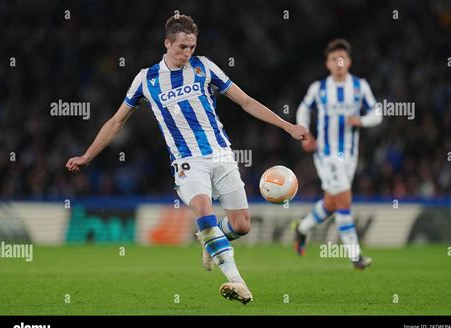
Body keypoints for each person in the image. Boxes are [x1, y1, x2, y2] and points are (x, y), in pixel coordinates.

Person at [66, 14, 308, 303]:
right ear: (167, 43)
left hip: (222, 155)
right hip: (187, 162)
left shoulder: (204, 67)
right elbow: (117, 122)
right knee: (204, 211)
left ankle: (210, 240)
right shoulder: (146, 79)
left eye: (192, 47)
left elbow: (245, 101)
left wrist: (287, 125)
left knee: (242, 225)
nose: (187, 53)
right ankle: (237, 281)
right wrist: (88, 155)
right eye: (182, 47)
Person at [294, 39, 382, 269]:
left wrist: (361, 120)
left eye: (342, 59)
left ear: (349, 62)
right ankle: (356, 257)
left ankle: (302, 229)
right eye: (334, 59)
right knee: (344, 201)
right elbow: (303, 109)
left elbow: (378, 113)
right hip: (326, 154)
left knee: (331, 203)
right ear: (328, 63)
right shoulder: (319, 88)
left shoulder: (360, 86)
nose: (339, 63)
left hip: (350, 157)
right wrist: (305, 134)